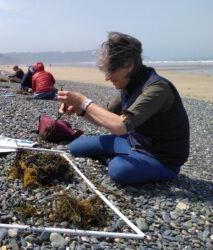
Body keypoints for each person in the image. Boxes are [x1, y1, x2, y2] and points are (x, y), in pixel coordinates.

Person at [57, 32, 189, 185]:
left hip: (161, 158)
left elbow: (119, 126)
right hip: (133, 142)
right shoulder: (129, 84)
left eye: (110, 71)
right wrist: (79, 109)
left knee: (118, 171)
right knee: (75, 148)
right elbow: (104, 118)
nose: (107, 77)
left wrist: (83, 101)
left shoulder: (157, 88)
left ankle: (119, 161)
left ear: (128, 66)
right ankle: (119, 159)